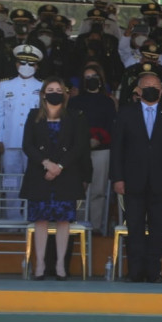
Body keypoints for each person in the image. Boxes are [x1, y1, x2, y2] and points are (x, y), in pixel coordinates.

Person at [110, 72, 162, 282]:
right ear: (138, 91)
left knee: (157, 227)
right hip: (132, 181)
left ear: (161, 91)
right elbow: (117, 149)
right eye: (147, 86)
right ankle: (135, 271)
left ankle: (153, 271)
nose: (152, 89)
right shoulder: (125, 113)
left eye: (156, 86)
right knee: (134, 227)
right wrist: (117, 178)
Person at [19, 77, 89, 280]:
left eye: (59, 89)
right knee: (40, 221)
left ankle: (60, 265)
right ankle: (39, 264)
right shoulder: (34, 116)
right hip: (39, 175)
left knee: (63, 221)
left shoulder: (74, 116)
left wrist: (59, 166)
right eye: (50, 89)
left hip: (66, 175)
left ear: (65, 94)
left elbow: (78, 146)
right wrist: (46, 163)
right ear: (43, 93)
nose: (55, 92)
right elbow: (28, 145)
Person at [69, 63, 116, 234]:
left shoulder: (108, 102)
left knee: (98, 190)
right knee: (78, 190)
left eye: (94, 78)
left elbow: (112, 126)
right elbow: (70, 127)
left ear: (101, 80)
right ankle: (78, 224)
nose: (91, 81)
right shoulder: (74, 102)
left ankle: (96, 226)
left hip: (101, 150)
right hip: (79, 152)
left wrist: (98, 139)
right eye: (87, 78)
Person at [0, 44, 43, 176]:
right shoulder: (4, 85)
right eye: (22, 63)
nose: (26, 66)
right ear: (16, 64)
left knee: (33, 179)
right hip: (9, 141)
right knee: (11, 181)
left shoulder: (43, 86)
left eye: (31, 64)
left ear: (37, 66)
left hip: (34, 142)